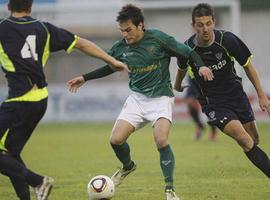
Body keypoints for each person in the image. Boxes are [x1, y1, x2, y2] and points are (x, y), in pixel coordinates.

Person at [68, 4, 213, 200]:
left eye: (128, 30)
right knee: (115, 140)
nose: (125, 35)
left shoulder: (159, 39)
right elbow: (111, 66)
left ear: (141, 25)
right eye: (122, 31)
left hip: (161, 97)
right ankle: (128, 166)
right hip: (137, 99)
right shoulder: (120, 48)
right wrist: (85, 78)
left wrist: (202, 66)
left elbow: (187, 52)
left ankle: (169, 191)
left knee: (161, 140)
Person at [0, 1, 127, 200]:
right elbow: (82, 43)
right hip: (40, 99)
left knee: (8, 154)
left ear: (8, 6)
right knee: (10, 153)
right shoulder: (44, 29)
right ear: (31, 6)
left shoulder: (2, 28)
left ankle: (38, 181)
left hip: (19, 100)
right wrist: (112, 61)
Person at [174, 3, 270, 179]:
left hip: (236, 95)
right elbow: (181, 68)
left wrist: (261, 96)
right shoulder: (186, 48)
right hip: (213, 103)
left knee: (253, 139)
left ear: (214, 22)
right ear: (193, 25)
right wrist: (177, 85)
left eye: (209, 23)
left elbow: (248, 67)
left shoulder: (228, 40)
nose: (205, 29)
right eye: (200, 24)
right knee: (244, 139)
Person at [184, 75, 217, 141]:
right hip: (192, 76)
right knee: (189, 102)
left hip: (204, 77)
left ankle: (213, 131)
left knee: (208, 105)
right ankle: (200, 125)